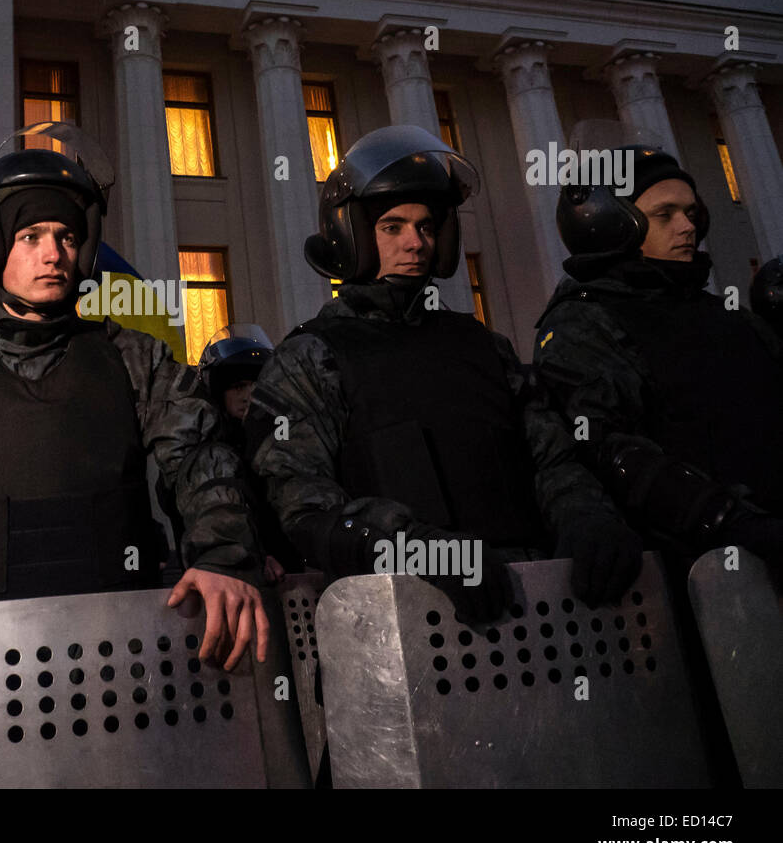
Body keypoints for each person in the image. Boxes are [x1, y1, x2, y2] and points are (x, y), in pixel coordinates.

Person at [0, 148, 269, 670]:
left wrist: (224, 556)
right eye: (30, 236)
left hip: (129, 652)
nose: (53, 254)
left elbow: (199, 459)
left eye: (67, 237)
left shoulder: (134, 358)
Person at [245, 125, 635, 621]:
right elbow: (299, 499)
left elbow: (553, 458)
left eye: (427, 227)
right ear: (353, 236)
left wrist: (587, 517)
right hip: (401, 623)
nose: (416, 243)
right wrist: (419, 548)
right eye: (393, 227)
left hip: (540, 605)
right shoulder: (310, 356)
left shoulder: (485, 347)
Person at [535, 147, 783, 578]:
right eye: (665, 215)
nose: (688, 227)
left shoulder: (727, 313)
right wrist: (730, 520)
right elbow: (608, 447)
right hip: (702, 575)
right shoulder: (583, 322)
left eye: (691, 213)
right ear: (611, 226)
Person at [187, 324, 302, 581]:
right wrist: (250, 555)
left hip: (298, 573)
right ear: (218, 391)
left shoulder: (287, 439)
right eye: (238, 386)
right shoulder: (206, 452)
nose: (248, 395)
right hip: (237, 578)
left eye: (255, 384)